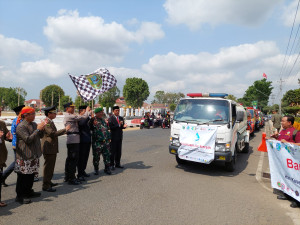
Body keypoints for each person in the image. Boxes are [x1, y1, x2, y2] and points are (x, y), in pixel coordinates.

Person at [15, 106, 46, 204]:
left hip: (34, 154)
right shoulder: (21, 126)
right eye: (32, 114)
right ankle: (20, 195)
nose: (34, 115)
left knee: (31, 175)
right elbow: (28, 139)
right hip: (25, 156)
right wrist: (37, 130)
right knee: (23, 177)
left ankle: (28, 191)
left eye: (34, 113)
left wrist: (42, 129)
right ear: (25, 115)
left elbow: (40, 136)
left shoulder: (33, 124)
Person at [271, 115, 300, 208]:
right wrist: (275, 138)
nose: (281, 123)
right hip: (284, 161)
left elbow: (299, 144)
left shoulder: (296, 132)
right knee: (287, 177)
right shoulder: (282, 131)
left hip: (293, 162)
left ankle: (297, 200)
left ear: (289, 122)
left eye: (283, 121)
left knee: (295, 179)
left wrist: (289, 143)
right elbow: (281, 143)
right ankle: (287, 194)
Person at [41, 106, 69, 192]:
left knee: (51, 166)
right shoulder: (47, 122)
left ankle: (48, 181)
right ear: (49, 114)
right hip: (48, 147)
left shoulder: (50, 121)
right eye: (54, 113)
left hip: (51, 147)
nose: (55, 114)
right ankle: (46, 185)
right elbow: (52, 133)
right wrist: (65, 130)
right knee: (48, 166)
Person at [63, 102, 90, 185]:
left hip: (74, 139)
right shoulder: (69, 115)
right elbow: (82, 117)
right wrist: (87, 111)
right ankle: (71, 178)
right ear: (67, 108)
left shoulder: (70, 115)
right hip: (73, 139)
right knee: (73, 160)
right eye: (72, 107)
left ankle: (68, 176)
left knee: (71, 159)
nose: (73, 108)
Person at [2, 105, 24, 187]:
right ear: (20, 113)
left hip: (17, 144)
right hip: (18, 145)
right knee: (17, 162)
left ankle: (3, 177)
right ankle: (3, 177)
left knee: (17, 162)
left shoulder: (18, 120)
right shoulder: (18, 121)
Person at [89, 107, 112, 175]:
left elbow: (106, 130)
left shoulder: (103, 120)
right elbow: (90, 126)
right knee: (96, 157)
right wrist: (92, 121)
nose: (102, 113)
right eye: (100, 112)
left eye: (102, 112)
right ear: (96, 113)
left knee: (107, 156)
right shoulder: (93, 120)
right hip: (97, 142)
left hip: (105, 142)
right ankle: (96, 169)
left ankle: (107, 168)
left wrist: (109, 137)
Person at [0, 106, 12, 207]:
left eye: (0, 111)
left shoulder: (2, 123)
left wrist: (9, 137)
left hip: (1, 156)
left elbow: (7, 136)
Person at [77, 105, 91, 181]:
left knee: (86, 157)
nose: (86, 113)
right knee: (81, 158)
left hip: (88, 140)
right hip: (82, 141)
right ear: (81, 111)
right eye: (84, 111)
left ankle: (83, 171)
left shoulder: (86, 118)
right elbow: (82, 124)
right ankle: (79, 174)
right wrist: (87, 113)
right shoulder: (79, 118)